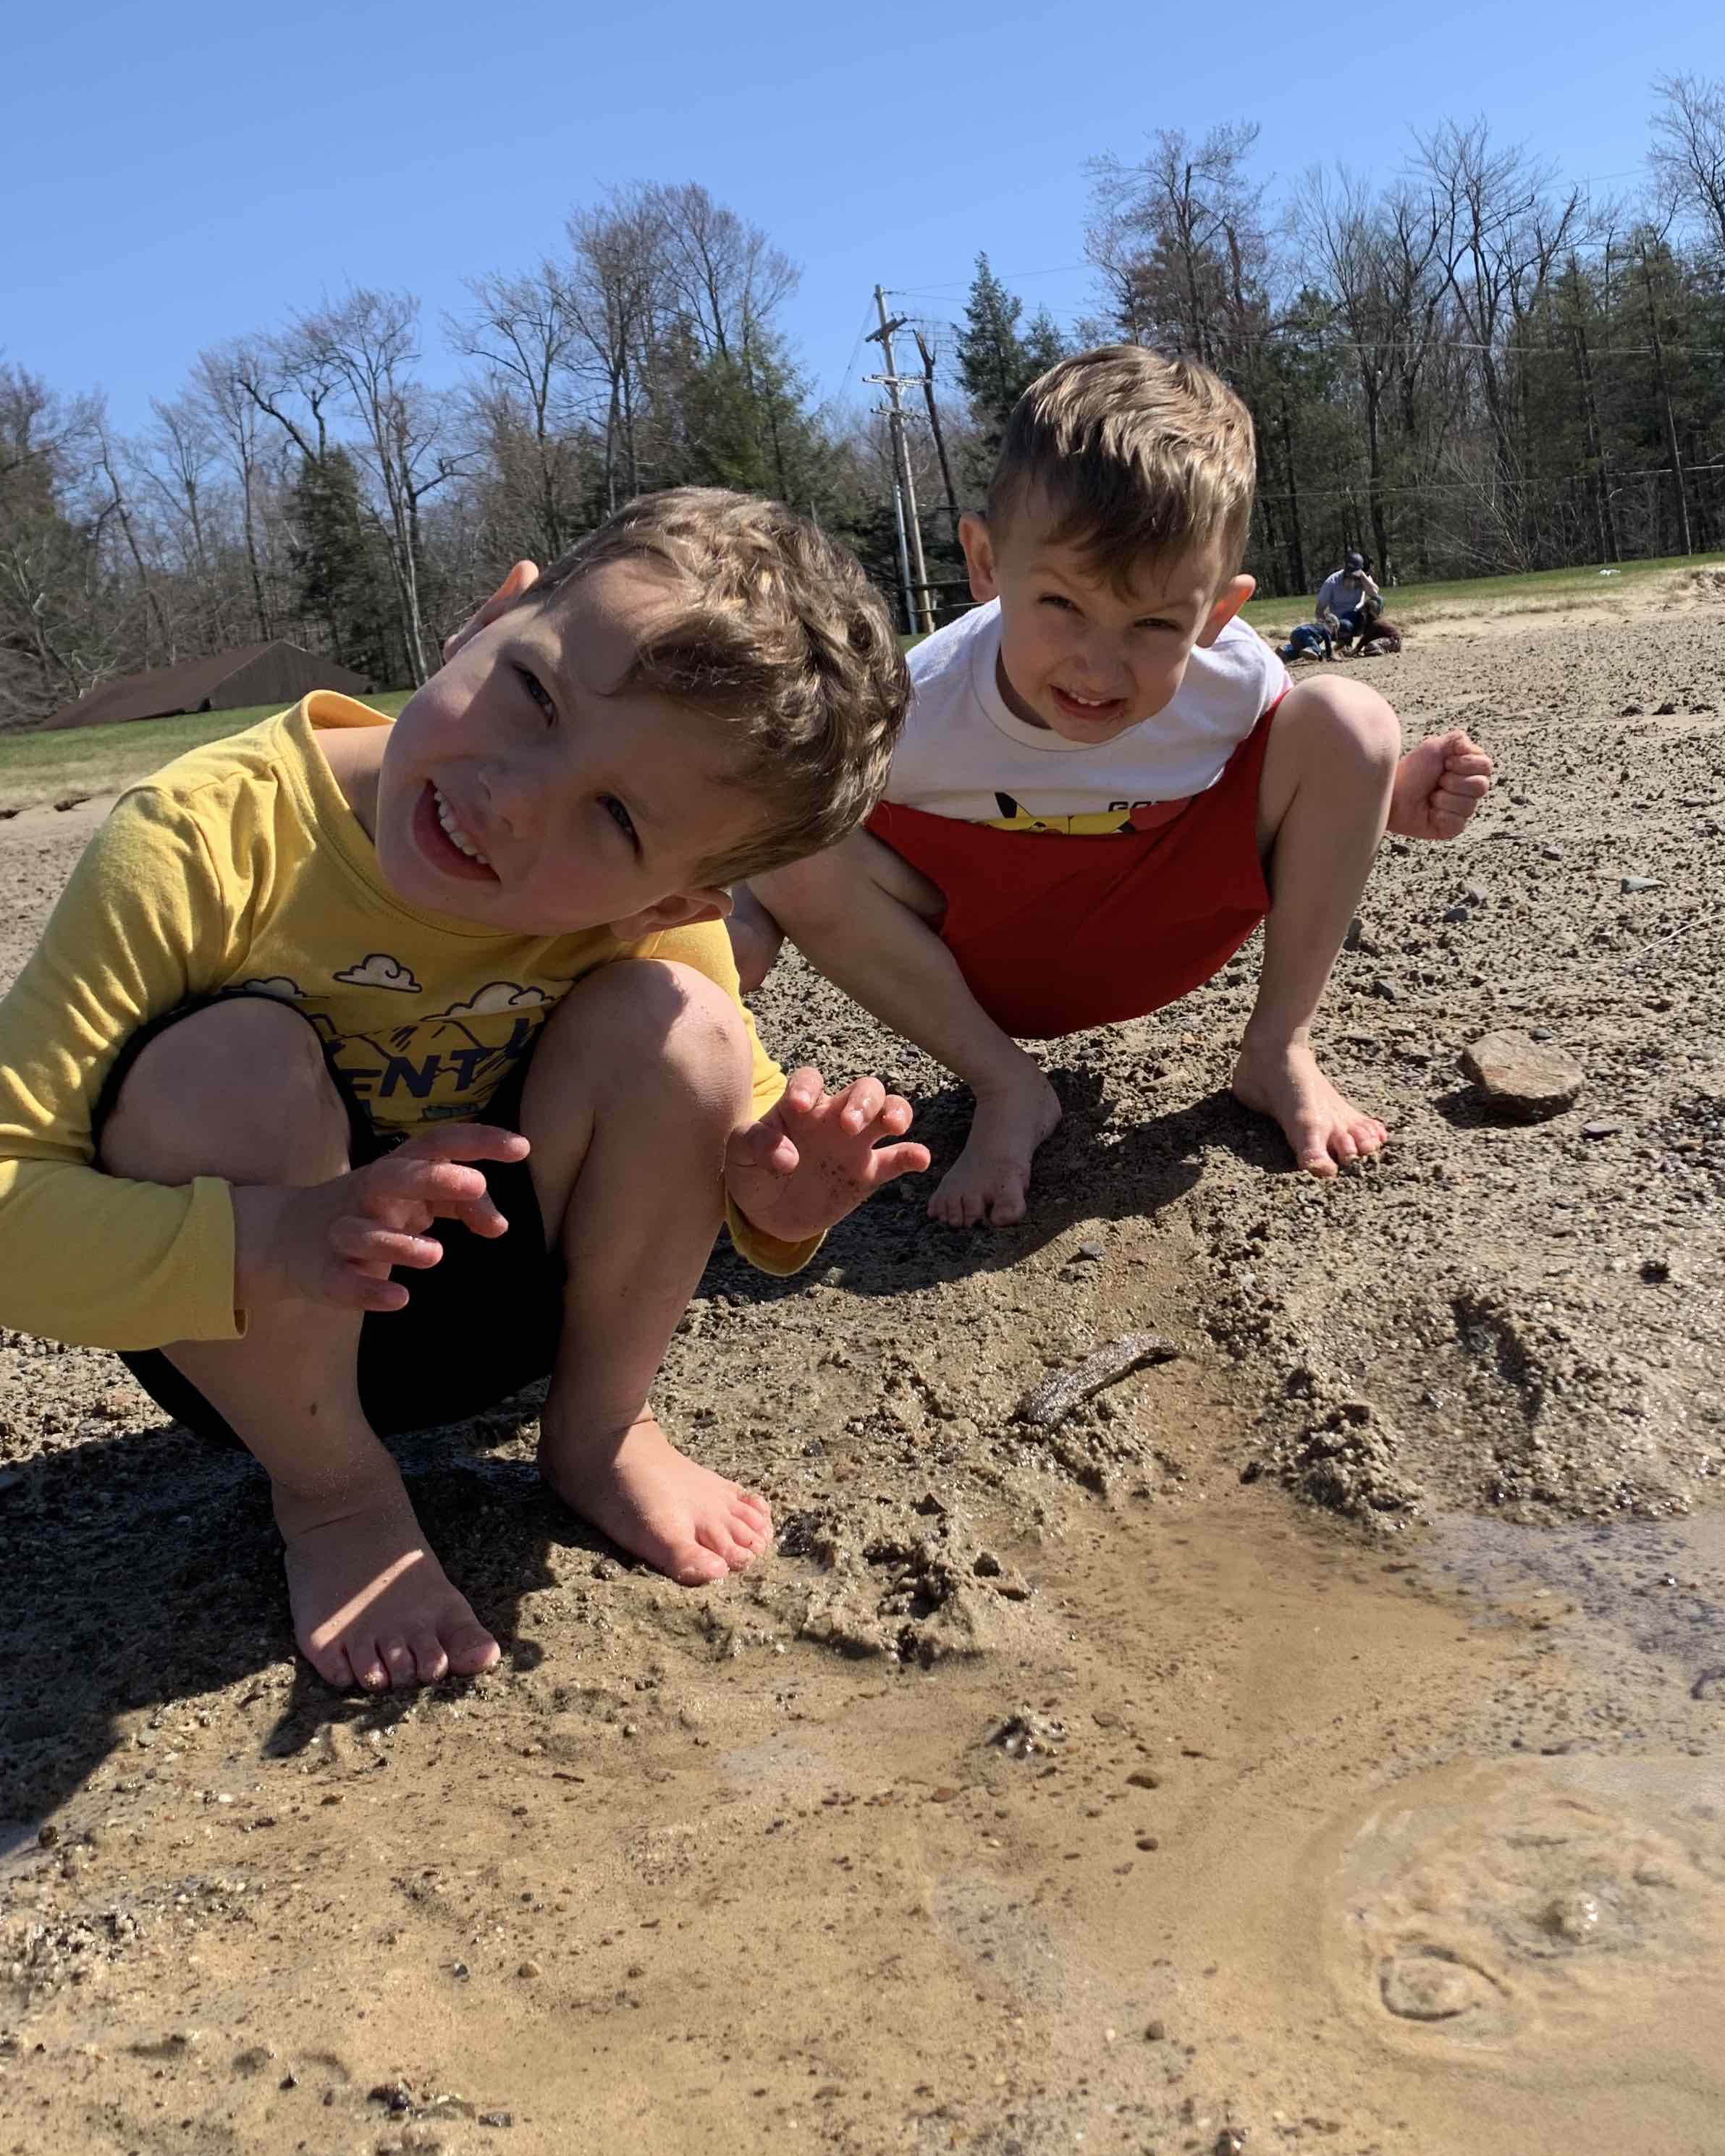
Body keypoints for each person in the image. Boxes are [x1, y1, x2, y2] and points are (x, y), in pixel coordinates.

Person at [0, 489, 929, 1693]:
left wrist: (778, 1201)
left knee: (682, 1028)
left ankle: (600, 1434)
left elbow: (726, 1115)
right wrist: (275, 1235)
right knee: (223, 1064)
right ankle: (336, 1498)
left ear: (673, 902)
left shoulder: (651, 932)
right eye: (535, 694)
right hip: (239, 1320)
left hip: (494, 1302)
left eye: (613, 815)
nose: (514, 792)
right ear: (487, 617)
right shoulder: (202, 840)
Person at [736, 347, 1493, 1227]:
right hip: (984, 969)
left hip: (1155, 935)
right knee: (797, 853)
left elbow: (1303, 776)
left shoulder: (1231, 677)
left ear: (1217, 611)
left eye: (1153, 624)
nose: (1099, 666)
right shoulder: (914, 707)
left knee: (1354, 719)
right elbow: (773, 839)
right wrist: (746, 927)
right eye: (1061, 605)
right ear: (985, 564)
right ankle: (1006, 1085)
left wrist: (1392, 795)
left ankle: (1278, 1048)